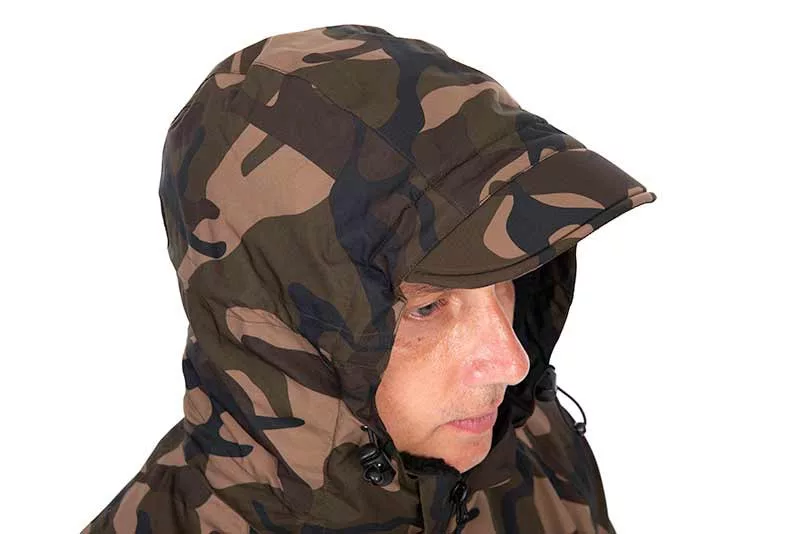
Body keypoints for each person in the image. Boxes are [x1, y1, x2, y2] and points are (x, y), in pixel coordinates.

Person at [81, 23, 657, 534]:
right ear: (284, 331)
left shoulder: (534, 450)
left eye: (507, 279)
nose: (512, 363)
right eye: (427, 308)